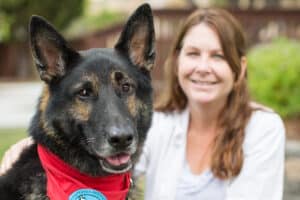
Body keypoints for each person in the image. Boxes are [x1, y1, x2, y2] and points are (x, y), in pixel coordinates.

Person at [0, 7, 285, 200]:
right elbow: (67, 144)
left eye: (218, 56)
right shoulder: (164, 124)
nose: (203, 67)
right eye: (194, 53)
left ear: (240, 67)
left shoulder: (263, 128)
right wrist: (28, 149)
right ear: (177, 62)